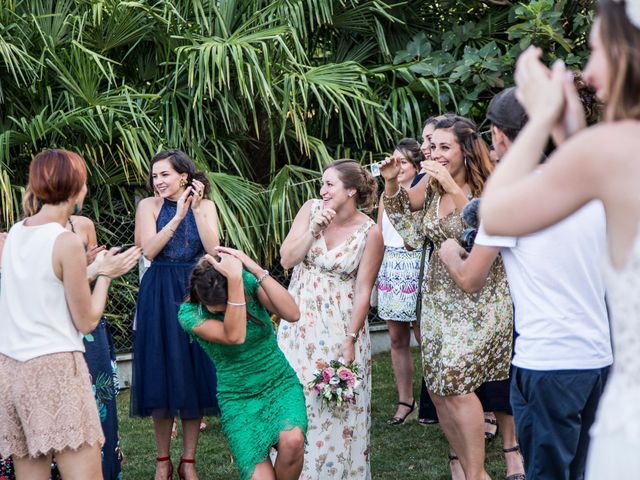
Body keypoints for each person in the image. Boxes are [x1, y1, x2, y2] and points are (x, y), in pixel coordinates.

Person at [480, 1, 637, 476]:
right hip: (603, 364)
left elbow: (496, 211)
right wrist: (575, 137)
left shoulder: (616, 148)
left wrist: (545, 114)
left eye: (595, 52)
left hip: (573, 371)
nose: (588, 73)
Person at [380, 116, 513, 480]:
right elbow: (410, 234)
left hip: (479, 302)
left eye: (443, 147)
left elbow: (482, 224)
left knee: (456, 383)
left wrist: (453, 186)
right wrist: (392, 185)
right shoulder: (431, 190)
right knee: (439, 391)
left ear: (465, 149)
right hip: (437, 301)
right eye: (432, 146)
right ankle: (475, 473)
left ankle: (476, 472)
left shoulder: (490, 185)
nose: (433, 153)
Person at [0, 148, 140, 479]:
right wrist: (105, 273)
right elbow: (88, 320)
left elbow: (43, 285)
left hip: (12, 372)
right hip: (55, 369)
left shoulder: (17, 232)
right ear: (77, 188)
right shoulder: (66, 241)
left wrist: (92, 271)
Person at [278, 159, 383, 479]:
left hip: (340, 329)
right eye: (322, 184)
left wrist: (350, 339)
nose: (322, 191)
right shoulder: (310, 210)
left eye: (329, 185)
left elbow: (364, 290)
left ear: (351, 190)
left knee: (335, 409)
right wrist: (313, 230)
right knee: (295, 403)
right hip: (298, 326)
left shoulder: (371, 232)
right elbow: (286, 259)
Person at [178, 248, 307, 480]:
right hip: (238, 398)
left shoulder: (248, 283)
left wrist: (252, 268)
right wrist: (235, 281)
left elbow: (292, 313)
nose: (224, 310)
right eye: (218, 308)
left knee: (294, 440)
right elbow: (235, 336)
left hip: (279, 384)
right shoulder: (189, 314)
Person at [21, 189, 123, 480]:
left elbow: (82, 278)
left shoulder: (83, 225)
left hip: (88, 322)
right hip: (59, 326)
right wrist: (99, 272)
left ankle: (104, 467)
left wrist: (91, 263)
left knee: (99, 399)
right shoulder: (28, 231)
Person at [131, 149, 220, 480]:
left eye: (164, 174)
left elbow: (213, 250)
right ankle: (162, 460)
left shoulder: (206, 206)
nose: (158, 182)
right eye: (154, 176)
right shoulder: (148, 207)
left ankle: (188, 462)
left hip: (195, 289)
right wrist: (178, 217)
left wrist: (195, 211)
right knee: (161, 371)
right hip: (159, 289)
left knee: (196, 371)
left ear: (184, 176)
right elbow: (149, 251)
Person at [376, 138, 423, 425]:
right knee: (396, 338)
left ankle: (440, 399)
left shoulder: (423, 192)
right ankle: (406, 400)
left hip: (416, 265)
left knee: (423, 336)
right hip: (390, 266)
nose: (397, 166)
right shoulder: (385, 195)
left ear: (416, 166)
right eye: (394, 161)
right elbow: (380, 234)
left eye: (403, 161)